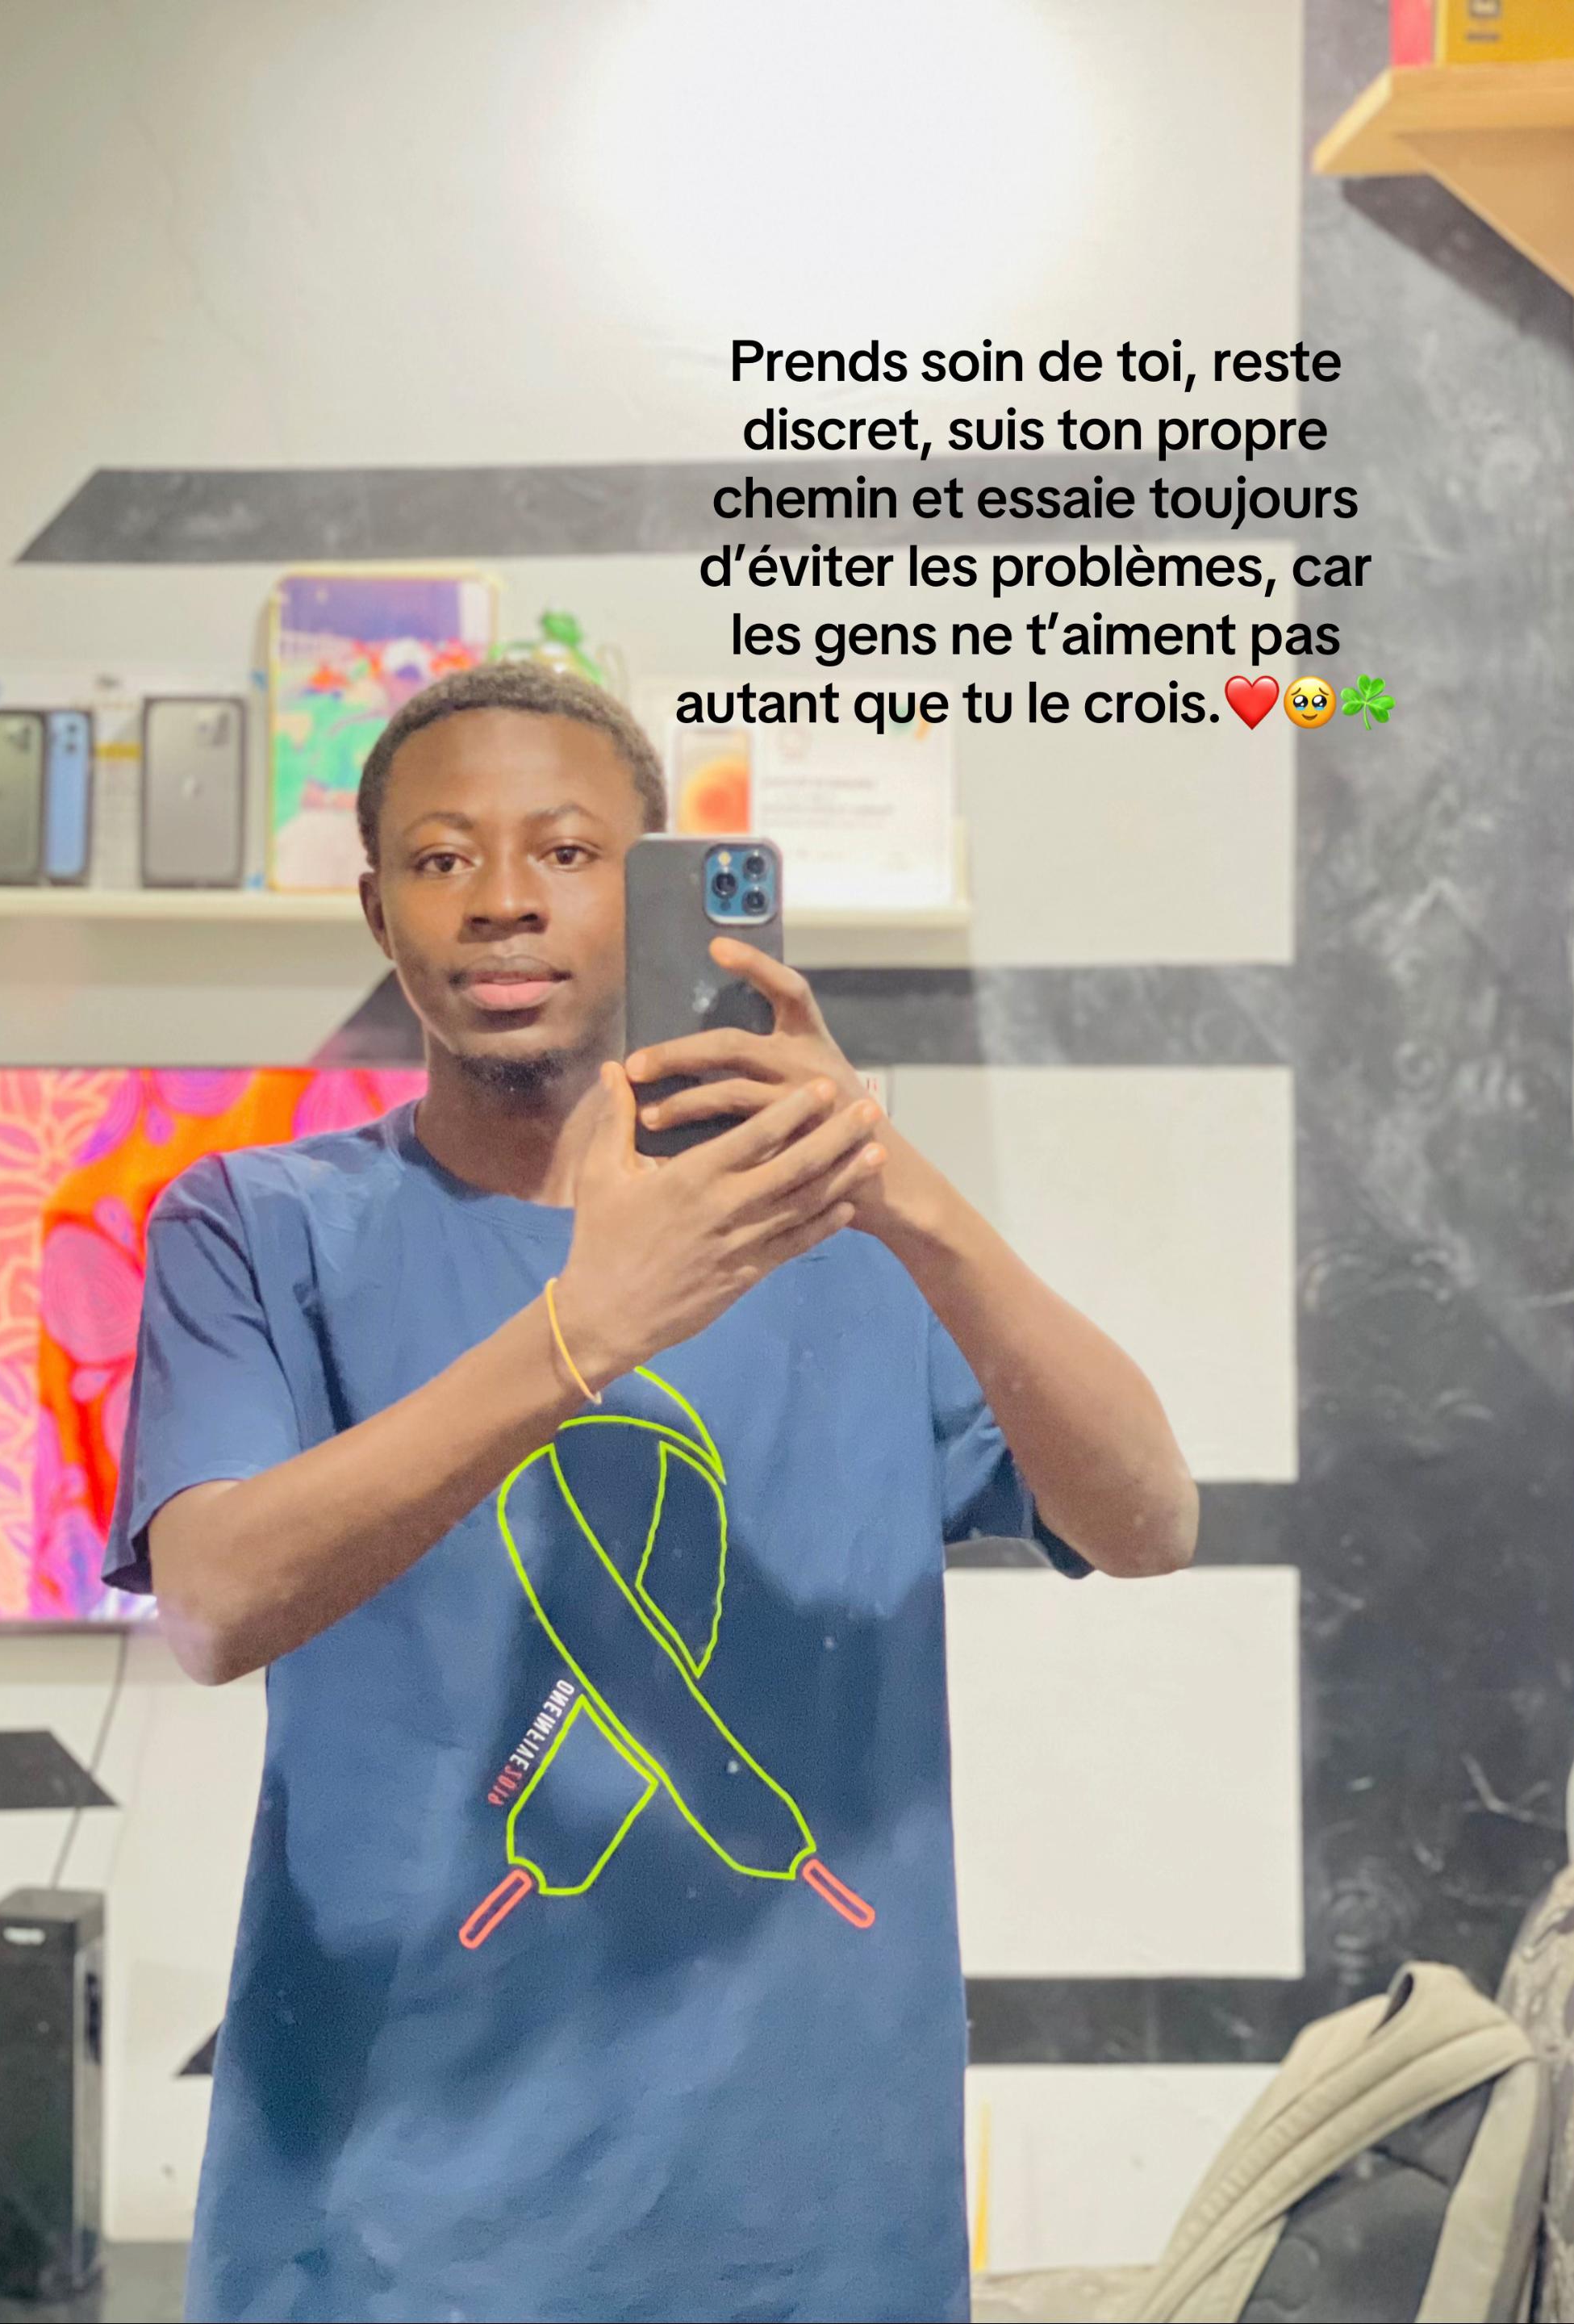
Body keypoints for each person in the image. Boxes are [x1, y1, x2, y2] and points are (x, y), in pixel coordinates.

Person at [105, 659, 1198, 2324]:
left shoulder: (845, 1242)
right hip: (383, 2241)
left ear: (661, 893)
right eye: (442, 859)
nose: (502, 900)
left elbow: (1150, 1521)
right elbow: (212, 1602)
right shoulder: (259, 1227)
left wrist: (897, 1184)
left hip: (815, 2237)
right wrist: (581, 1329)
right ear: (380, 913)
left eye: (566, 852)